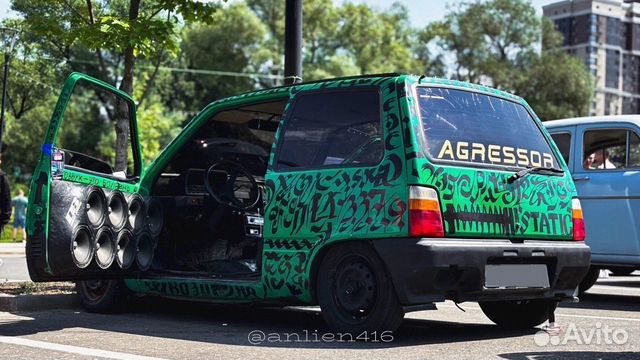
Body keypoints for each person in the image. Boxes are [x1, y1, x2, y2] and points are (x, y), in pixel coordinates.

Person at [0, 154, 11, 235]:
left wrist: (5, 218)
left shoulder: (2, 177)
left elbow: (6, 198)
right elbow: (6, 197)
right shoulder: (2, 177)